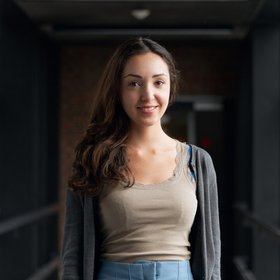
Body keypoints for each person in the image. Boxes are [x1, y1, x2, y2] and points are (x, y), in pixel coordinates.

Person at [61, 37, 221, 280]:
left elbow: (212, 256)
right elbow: (73, 253)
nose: (148, 94)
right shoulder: (93, 158)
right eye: (134, 83)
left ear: (170, 87)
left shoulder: (197, 162)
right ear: (118, 90)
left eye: (158, 82)